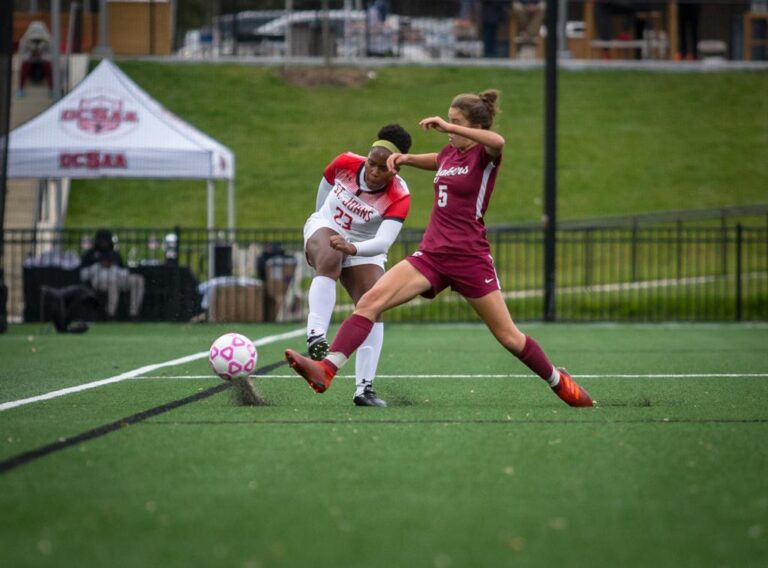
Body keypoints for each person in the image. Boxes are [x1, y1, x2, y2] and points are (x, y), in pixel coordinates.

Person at [285, 90, 594, 408]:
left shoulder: (484, 155)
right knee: (370, 302)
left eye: (457, 122)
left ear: (472, 126)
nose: (449, 126)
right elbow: (434, 160)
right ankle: (326, 369)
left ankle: (559, 382)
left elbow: (498, 141)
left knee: (509, 337)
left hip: (469, 258)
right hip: (431, 256)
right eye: (449, 120)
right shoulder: (449, 154)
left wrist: (450, 128)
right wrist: (404, 159)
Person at [302, 124, 413, 407]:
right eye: (371, 164)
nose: (374, 172)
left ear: (395, 170)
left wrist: (352, 247)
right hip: (328, 226)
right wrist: (320, 225)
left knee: (374, 301)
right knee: (330, 256)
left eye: (382, 169)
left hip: (366, 246)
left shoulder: (399, 195)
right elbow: (324, 189)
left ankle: (364, 388)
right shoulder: (344, 163)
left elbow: (383, 243)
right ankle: (316, 335)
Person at [80, 229, 145, 320]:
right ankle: (110, 314)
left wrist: (113, 267)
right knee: (111, 280)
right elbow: (83, 274)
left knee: (138, 279)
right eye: (102, 240)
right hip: (99, 281)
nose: (104, 243)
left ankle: (134, 313)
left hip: (118, 277)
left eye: (106, 240)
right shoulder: (90, 254)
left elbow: (123, 270)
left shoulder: (114, 254)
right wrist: (100, 265)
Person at [16, 21, 53, 98]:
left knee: (48, 64)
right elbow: (22, 57)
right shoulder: (24, 41)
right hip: (31, 70)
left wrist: (41, 50)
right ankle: (20, 88)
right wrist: (31, 51)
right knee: (25, 64)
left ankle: (51, 88)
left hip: (43, 69)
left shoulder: (49, 41)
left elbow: (51, 57)